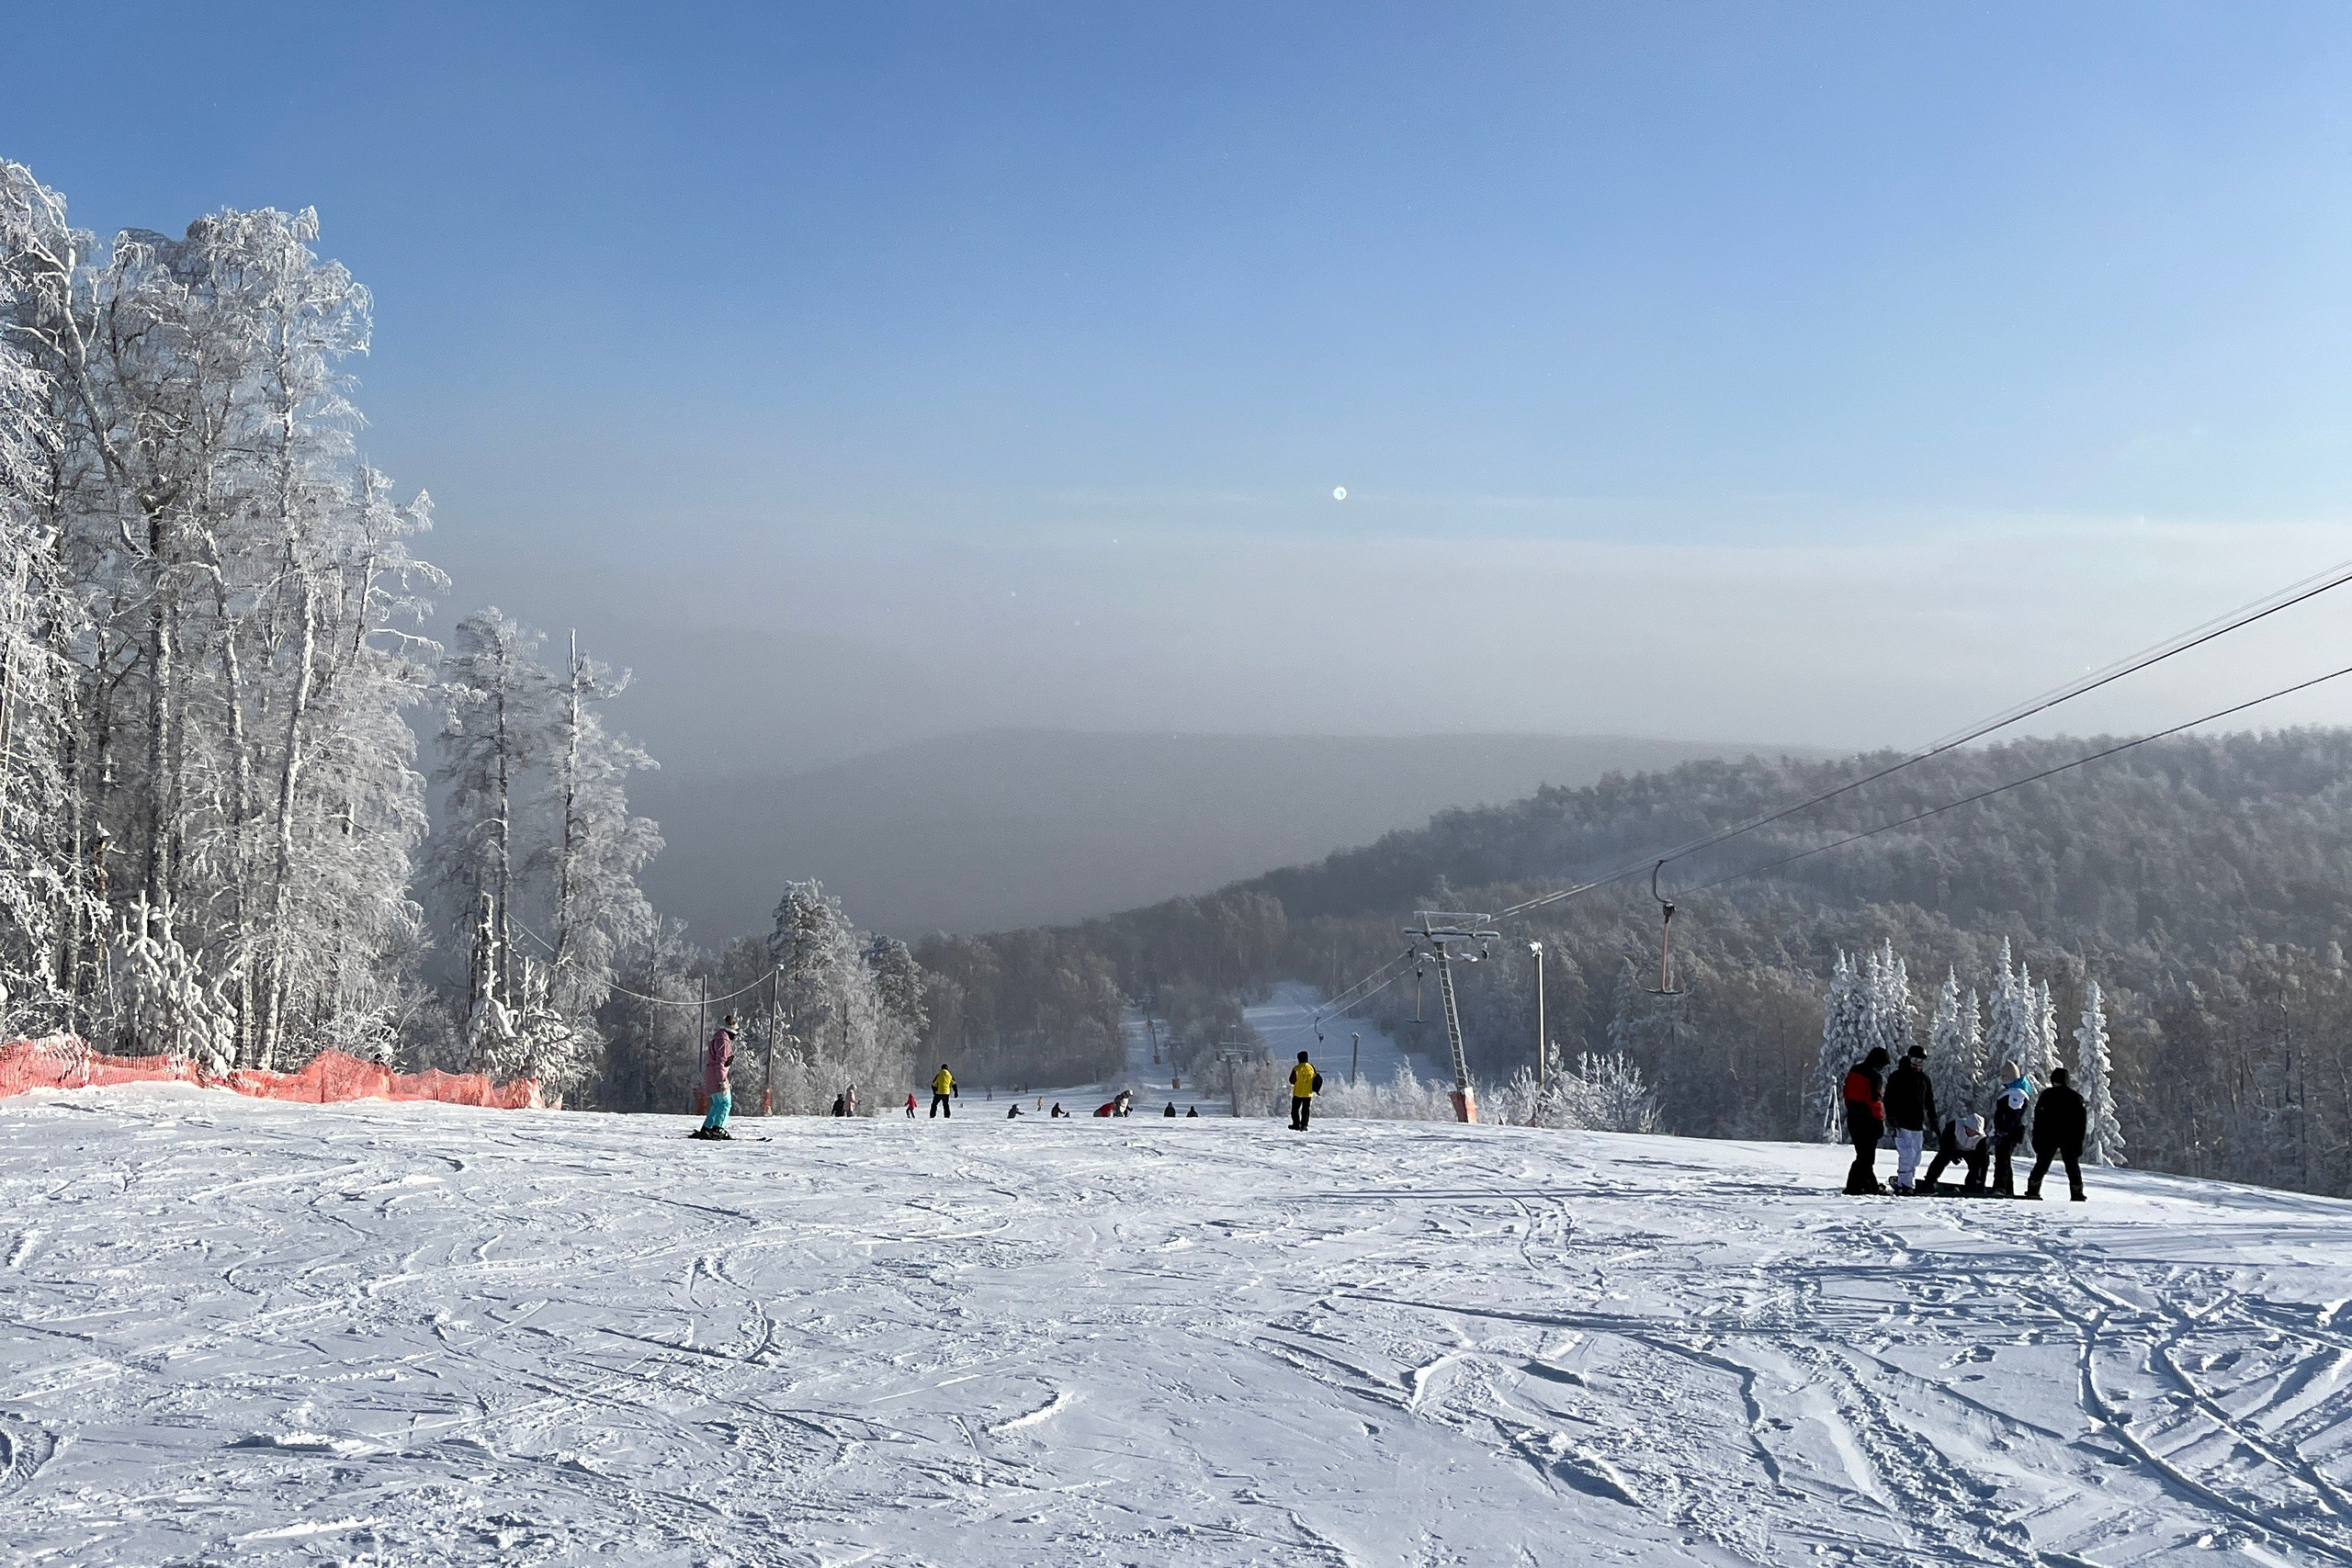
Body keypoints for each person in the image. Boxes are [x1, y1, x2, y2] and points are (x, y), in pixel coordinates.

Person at [2025, 1066, 2089, 1201]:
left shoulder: (2047, 1095)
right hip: (2069, 1137)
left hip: (2048, 1136)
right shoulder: (2075, 1098)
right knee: (2072, 1167)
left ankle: (2033, 1190)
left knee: (2042, 1164)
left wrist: (2036, 1136)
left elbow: (2038, 1119)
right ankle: (2077, 1193)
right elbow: (2081, 1123)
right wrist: (2079, 1141)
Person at [1883, 1046, 1938, 1193]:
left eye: (1921, 1061)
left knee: (1916, 1157)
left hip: (1917, 1124)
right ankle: (1904, 1185)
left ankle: (1907, 1180)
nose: (1917, 1064)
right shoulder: (1897, 1076)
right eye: (1915, 1060)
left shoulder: (1924, 1079)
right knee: (1906, 1154)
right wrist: (1892, 1120)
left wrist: (1934, 1122)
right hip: (1901, 1122)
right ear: (1909, 1058)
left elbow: (1929, 1102)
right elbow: (1888, 1100)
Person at [1842, 1045, 1890, 1194]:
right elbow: (1875, 1102)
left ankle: (1869, 1186)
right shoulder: (1875, 1077)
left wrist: (1852, 1110)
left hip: (1853, 1117)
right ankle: (1854, 1186)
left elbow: (1846, 1094)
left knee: (1862, 1155)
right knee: (1866, 1157)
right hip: (1869, 1120)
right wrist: (1879, 1122)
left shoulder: (1854, 1070)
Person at [694, 1015, 738, 1141]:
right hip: (718, 1076)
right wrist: (723, 1080)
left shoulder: (717, 1039)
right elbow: (721, 1063)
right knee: (725, 1103)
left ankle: (707, 1127)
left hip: (711, 1076)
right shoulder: (724, 1042)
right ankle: (719, 1128)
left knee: (717, 1103)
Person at [1922, 1113, 1990, 1192]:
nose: (1974, 1134)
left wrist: (1981, 1182)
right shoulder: (1954, 1126)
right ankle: (1930, 1180)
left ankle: (1973, 1185)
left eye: (1976, 1132)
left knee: (1977, 1166)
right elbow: (1944, 1143)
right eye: (1972, 1130)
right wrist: (1951, 1154)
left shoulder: (1982, 1139)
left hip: (1971, 1152)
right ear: (1966, 1127)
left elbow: (1983, 1162)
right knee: (1941, 1158)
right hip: (1953, 1148)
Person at [1990, 1072, 2030, 1197]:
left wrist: (2003, 1131)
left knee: (2003, 1159)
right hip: (2008, 1132)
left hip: (2008, 1133)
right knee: (2004, 1159)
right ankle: (2006, 1187)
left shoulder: (2015, 1093)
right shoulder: (2015, 1092)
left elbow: (2013, 1115)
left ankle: (2001, 1187)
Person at [1289, 1050, 1322, 1132]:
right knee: (1306, 1110)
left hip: (1298, 1092)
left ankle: (1296, 1124)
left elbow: (1292, 1080)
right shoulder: (1311, 1067)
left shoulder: (1297, 1068)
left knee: (1295, 1109)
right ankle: (1304, 1125)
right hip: (1308, 1093)